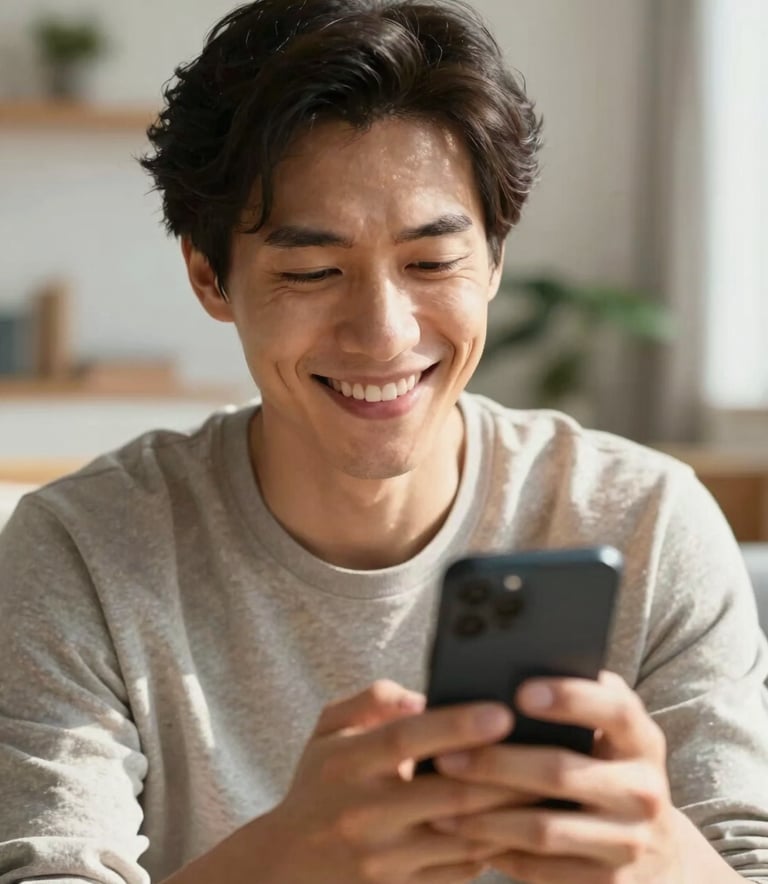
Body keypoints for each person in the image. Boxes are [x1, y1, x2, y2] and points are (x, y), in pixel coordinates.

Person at [1, 0, 767, 881]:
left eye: (433, 263)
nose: (383, 335)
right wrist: (283, 863)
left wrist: (664, 862)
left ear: (496, 258)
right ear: (210, 276)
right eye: (313, 271)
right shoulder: (83, 554)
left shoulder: (647, 524)